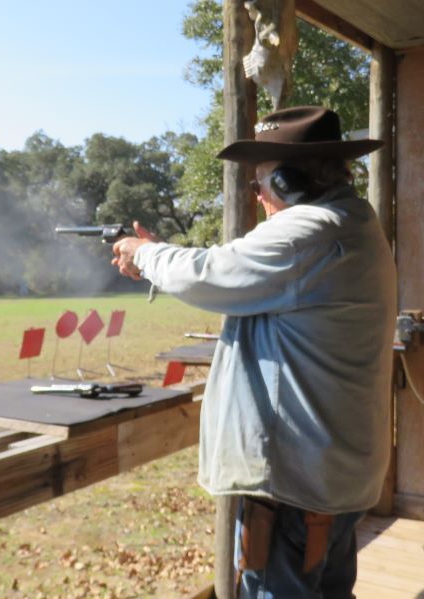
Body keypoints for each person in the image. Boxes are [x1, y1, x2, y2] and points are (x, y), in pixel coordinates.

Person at [111, 106, 397, 598]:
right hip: (333, 477)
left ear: (287, 182)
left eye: (259, 182)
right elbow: (230, 271)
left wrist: (145, 254)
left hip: (294, 488)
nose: (257, 194)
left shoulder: (310, 230)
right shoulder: (351, 221)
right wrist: (160, 258)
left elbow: (209, 275)